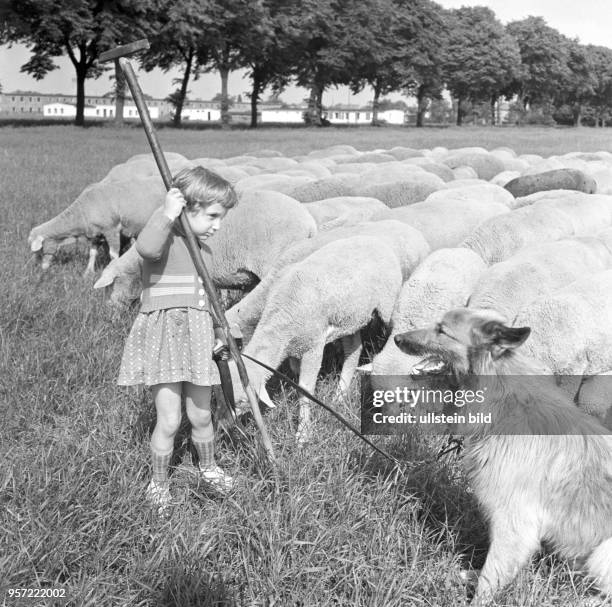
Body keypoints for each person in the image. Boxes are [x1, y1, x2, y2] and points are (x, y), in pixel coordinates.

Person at [117, 166, 239, 512]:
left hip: (198, 338)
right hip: (165, 338)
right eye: (213, 216)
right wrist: (167, 212)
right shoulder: (164, 237)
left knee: (201, 414)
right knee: (169, 419)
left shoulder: (205, 252)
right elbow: (146, 249)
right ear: (188, 207)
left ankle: (209, 468)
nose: (218, 225)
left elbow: (211, 299)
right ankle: (157, 483)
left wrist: (220, 331)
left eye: (222, 217)